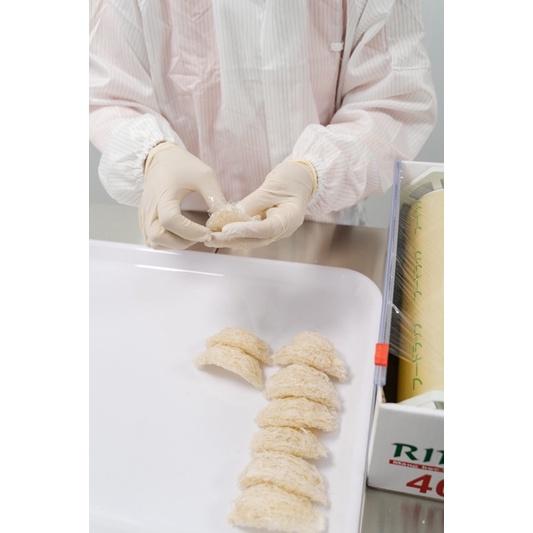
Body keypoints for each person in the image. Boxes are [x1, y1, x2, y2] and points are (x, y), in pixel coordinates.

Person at [90, 1, 436, 250]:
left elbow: (393, 101)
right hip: (180, 237)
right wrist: (152, 154)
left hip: (321, 242)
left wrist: (314, 173)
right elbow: (109, 92)